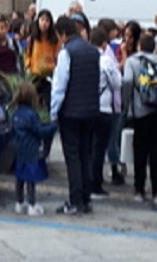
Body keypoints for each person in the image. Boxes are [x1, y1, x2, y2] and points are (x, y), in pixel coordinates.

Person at [49, 14, 99, 215]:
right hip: (91, 110)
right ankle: (86, 199)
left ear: (62, 34)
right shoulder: (92, 50)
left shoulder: (66, 52)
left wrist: (53, 112)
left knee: (73, 158)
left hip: (71, 112)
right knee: (85, 155)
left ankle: (75, 199)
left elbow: (59, 86)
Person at [123, 31, 157, 204]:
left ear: (139, 46)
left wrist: (127, 105)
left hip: (140, 111)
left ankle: (139, 189)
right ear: (153, 46)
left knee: (140, 151)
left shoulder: (132, 61)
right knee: (156, 152)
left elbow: (126, 81)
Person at [12, 81, 57, 216]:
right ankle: (32, 204)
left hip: (19, 151)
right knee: (31, 179)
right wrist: (54, 126)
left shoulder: (16, 114)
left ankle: (19, 203)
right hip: (31, 151)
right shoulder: (32, 115)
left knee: (20, 178)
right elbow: (39, 131)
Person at [89, 26, 122, 197]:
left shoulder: (84, 57)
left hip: (86, 108)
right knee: (99, 148)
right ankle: (96, 184)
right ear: (103, 44)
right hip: (103, 108)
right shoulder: (106, 61)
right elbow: (117, 83)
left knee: (88, 147)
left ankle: (87, 181)